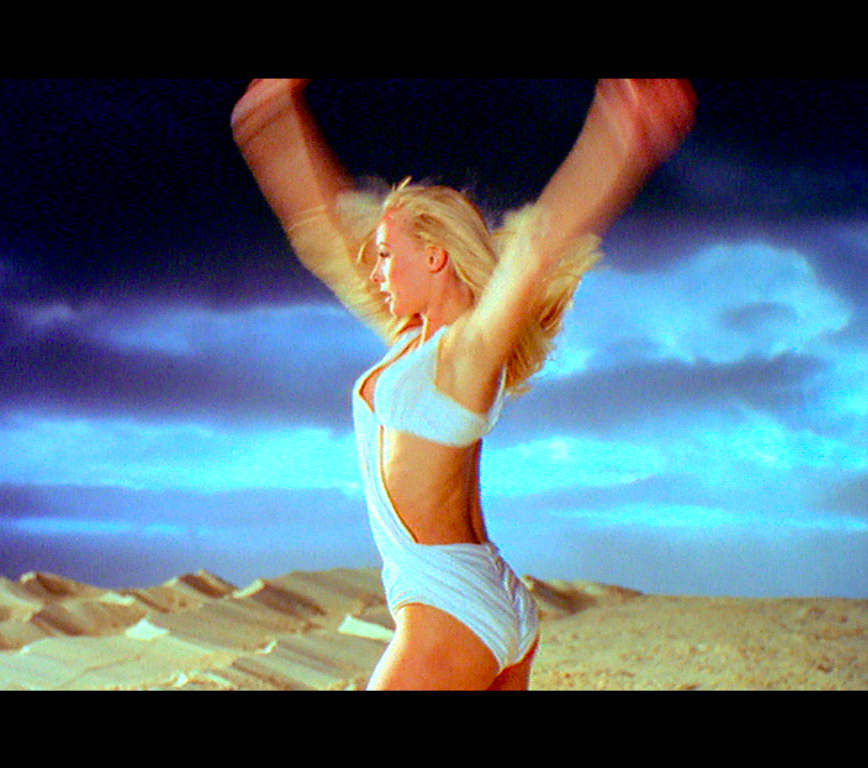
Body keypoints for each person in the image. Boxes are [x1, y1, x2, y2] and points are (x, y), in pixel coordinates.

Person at [232, 79, 694, 690]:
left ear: (435, 257)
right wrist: (272, 119)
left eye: (387, 254)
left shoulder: (466, 354)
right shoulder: (414, 341)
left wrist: (619, 135)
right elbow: (327, 232)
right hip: (483, 598)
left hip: (448, 610)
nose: (376, 269)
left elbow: (533, 252)